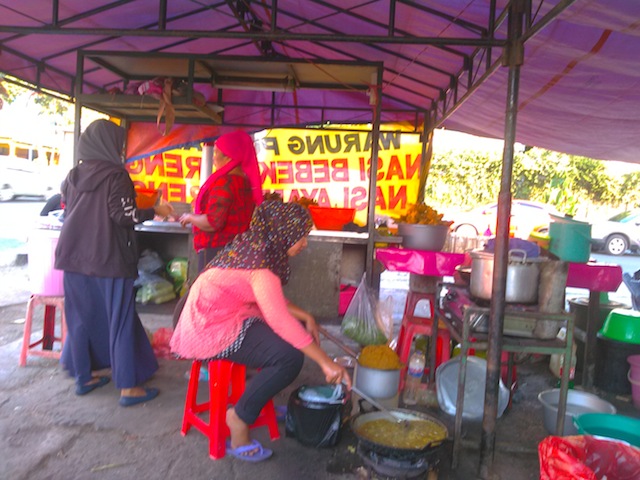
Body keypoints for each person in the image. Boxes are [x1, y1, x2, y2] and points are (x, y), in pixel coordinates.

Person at [170, 200, 352, 462]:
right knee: (289, 358)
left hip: (222, 312)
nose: (305, 244)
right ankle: (238, 418)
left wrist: (307, 317)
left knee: (292, 336)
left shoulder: (258, 247)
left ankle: (257, 398)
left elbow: (270, 300)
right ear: (284, 233)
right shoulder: (261, 266)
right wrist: (326, 363)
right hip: (208, 325)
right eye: (301, 236)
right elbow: (278, 318)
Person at [54, 119, 175, 407]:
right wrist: (154, 209)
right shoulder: (116, 176)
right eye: (120, 145)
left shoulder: (73, 175)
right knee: (119, 321)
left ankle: (84, 378)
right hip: (108, 259)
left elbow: (69, 209)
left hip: (72, 258)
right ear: (108, 145)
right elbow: (124, 216)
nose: (121, 150)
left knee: (80, 319)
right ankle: (128, 388)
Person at [179, 130, 263, 273]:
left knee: (212, 294)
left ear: (229, 158)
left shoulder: (225, 183)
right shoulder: (245, 183)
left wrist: (190, 217)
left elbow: (214, 222)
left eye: (217, 153)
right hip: (238, 252)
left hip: (217, 253)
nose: (214, 158)